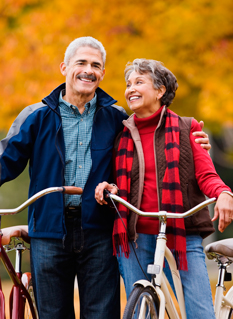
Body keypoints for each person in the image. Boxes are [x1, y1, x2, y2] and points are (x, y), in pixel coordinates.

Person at [0, 38, 210, 319]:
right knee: (51, 313)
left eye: (96, 65)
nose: (89, 70)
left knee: (102, 313)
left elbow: (153, 144)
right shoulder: (35, 116)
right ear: (65, 67)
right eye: (81, 63)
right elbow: (5, 162)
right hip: (50, 230)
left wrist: (193, 140)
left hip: (99, 229)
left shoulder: (117, 118)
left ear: (102, 74)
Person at [95, 58, 233, 319]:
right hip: (133, 237)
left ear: (160, 91)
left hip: (182, 235)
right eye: (128, 84)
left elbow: (205, 174)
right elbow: (116, 180)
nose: (130, 89)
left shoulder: (186, 128)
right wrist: (107, 187)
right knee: (140, 312)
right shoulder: (120, 134)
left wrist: (223, 193)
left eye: (139, 82)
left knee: (200, 312)